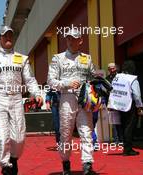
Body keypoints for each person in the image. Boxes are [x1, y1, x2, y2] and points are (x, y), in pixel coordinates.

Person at [0, 25, 43, 175]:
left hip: (16, 99)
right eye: (4, 36)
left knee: (18, 138)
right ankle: (6, 166)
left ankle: (13, 159)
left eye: (10, 35)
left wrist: (36, 93)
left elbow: (30, 79)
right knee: (2, 136)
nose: (8, 38)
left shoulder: (22, 59)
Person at [47, 28, 96, 175]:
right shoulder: (58, 58)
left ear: (80, 40)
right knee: (66, 133)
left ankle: (87, 165)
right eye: (68, 38)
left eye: (74, 38)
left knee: (86, 132)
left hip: (84, 99)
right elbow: (50, 81)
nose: (71, 41)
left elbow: (94, 77)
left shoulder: (87, 58)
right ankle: (66, 163)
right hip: (66, 98)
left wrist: (96, 90)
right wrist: (67, 83)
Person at [108, 60, 143, 156]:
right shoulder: (133, 79)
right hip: (130, 105)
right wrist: (139, 106)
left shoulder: (117, 77)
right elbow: (136, 95)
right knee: (130, 126)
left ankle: (126, 147)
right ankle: (128, 149)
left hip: (120, 105)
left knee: (123, 126)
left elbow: (113, 90)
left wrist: (111, 104)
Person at [106, 63, 123, 143]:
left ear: (116, 68)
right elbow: (105, 91)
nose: (112, 70)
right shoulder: (106, 79)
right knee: (114, 122)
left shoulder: (121, 77)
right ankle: (116, 140)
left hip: (121, 102)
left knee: (122, 121)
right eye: (110, 69)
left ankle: (122, 140)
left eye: (113, 68)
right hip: (112, 103)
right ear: (108, 70)